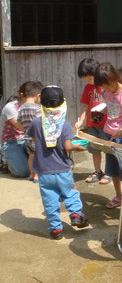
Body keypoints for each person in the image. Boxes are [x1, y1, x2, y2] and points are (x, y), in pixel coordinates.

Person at [26, 85, 89, 239]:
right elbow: (68, 146)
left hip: (44, 172)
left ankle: (55, 229)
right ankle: (75, 215)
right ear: (62, 103)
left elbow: (34, 140)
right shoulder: (64, 124)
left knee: (50, 200)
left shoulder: (36, 123)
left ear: (42, 104)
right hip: (62, 170)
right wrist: (78, 147)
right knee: (70, 194)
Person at [94, 62, 122, 209]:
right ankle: (119, 196)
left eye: (107, 84)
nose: (106, 88)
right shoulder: (104, 93)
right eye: (103, 86)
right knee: (112, 168)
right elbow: (110, 107)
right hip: (109, 134)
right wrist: (101, 112)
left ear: (115, 78)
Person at [74, 58, 110, 184]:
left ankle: (109, 173)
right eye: (85, 79)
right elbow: (85, 106)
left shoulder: (107, 86)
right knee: (94, 149)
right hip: (92, 124)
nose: (87, 81)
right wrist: (81, 121)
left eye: (89, 78)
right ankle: (98, 171)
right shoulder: (88, 88)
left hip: (106, 124)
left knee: (109, 150)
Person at [0, 82, 35, 178]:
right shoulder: (10, 107)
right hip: (10, 141)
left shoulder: (35, 106)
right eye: (33, 97)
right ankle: (6, 161)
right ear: (22, 95)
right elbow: (22, 127)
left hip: (27, 138)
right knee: (22, 172)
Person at [17, 81, 44, 182]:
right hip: (36, 138)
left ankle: (31, 174)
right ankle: (37, 175)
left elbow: (18, 122)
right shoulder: (37, 108)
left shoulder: (21, 108)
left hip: (27, 138)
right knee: (38, 156)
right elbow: (40, 122)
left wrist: (25, 129)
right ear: (38, 96)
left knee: (31, 156)